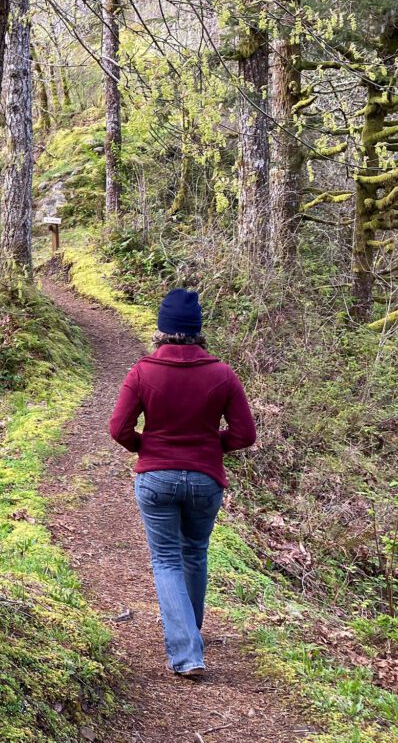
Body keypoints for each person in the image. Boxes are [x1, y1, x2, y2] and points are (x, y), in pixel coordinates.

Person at [108, 287, 256, 679]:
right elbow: (244, 434)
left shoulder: (143, 371)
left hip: (156, 478)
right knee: (194, 553)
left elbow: (118, 428)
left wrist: (146, 447)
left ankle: (187, 651)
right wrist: (210, 446)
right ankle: (191, 635)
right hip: (205, 479)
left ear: (162, 329)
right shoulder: (223, 374)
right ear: (197, 330)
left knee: (167, 560)